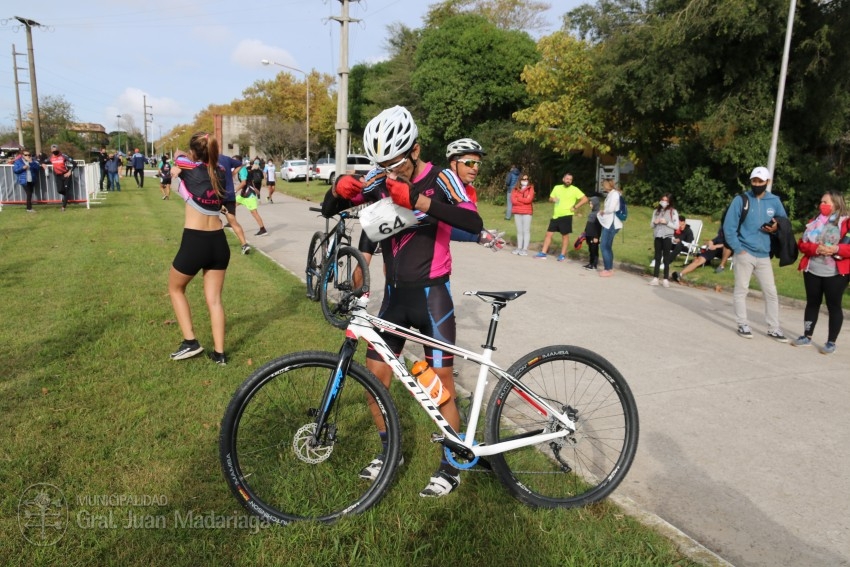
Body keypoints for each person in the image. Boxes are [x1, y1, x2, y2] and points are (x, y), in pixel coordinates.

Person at [322, 105, 483, 498]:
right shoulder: (381, 179)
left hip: (432, 299)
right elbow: (343, 214)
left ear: (415, 149)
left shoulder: (442, 178)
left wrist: (419, 201)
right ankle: (388, 452)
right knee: (374, 380)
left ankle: (452, 462)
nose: (390, 172)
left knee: (440, 387)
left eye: (396, 163)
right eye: (383, 165)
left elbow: (474, 224)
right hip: (394, 300)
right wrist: (338, 190)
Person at [167, 132, 229, 365]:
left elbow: (179, 158)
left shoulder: (188, 166)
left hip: (196, 241)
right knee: (215, 300)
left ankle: (190, 342)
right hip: (219, 242)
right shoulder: (220, 172)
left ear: (193, 152)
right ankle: (220, 355)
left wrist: (179, 164)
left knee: (175, 288)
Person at [722, 166, 788, 341]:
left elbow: (783, 221)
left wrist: (775, 227)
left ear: (767, 182)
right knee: (741, 289)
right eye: (754, 181)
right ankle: (742, 324)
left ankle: (774, 328)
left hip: (764, 254)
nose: (757, 184)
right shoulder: (741, 200)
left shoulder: (774, 201)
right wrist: (738, 249)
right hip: (745, 252)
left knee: (771, 292)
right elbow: (729, 227)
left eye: (760, 181)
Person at [792, 191, 850, 354]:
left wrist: (836, 249)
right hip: (813, 270)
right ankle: (806, 336)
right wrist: (816, 248)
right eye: (821, 202)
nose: (822, 205)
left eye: (826, 202)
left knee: (834, 306)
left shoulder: (846, 223)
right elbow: (802, 244)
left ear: (836, 204)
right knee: (812, 303)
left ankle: (831, 342)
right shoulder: (815, 221)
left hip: (835, 273)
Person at [535, 173, 588, 261]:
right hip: (556, 215)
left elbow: (585, 199)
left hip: (566, 215)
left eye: (570, 179)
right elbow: (550, 198)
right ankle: (543, 253)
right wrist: (553, 199)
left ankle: (562, 255)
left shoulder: (574, 189)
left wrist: (575, 207)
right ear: (563, 179)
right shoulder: (557, 187)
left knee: (565, 236)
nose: (568, 181)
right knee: (548, 234)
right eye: (567, 179)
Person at [219, 153, 251, 254]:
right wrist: (232, 173)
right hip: (229, 195)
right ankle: (244, 245)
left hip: (217, 196)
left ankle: (217, 243)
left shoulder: (208, 158)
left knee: (212, 220)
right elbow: (241, 164)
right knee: (233, 221)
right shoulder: (226, 159)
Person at [649, 193, 679, 287]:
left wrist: (667, 222)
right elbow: (651, 225)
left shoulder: (673, 212)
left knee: (666, 257)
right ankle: (655, 277)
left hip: (667, 236)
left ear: (669, 202)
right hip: (658, 235)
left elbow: (676, 226)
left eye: (666, 200)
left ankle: (665, 278)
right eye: (663, 200)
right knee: (657, 257)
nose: (664, 202)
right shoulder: (656, 211)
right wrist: (655, 222)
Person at [234, 157, 269, 237]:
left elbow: (244, 183)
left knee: (254, 212)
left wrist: (235, 191)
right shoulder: (241, 169)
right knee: (231, 206)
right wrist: (255, 188)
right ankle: (231, 222)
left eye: (234, 160)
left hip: (249, 194)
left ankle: (263, 229)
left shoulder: (242, 169)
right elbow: (250, 180)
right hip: (243, 194)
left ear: (238, 162)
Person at [596, 180, 623, 277]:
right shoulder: (612, 194)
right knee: (607, 246)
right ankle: (609, 268)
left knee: (604, 246)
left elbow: (611, 209)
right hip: (609, 222)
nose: (602, 187)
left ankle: (607, 269)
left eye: (603, 185)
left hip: (611, 223)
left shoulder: (614, 194)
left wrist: (603, 211)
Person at [44, 143, 76, 212]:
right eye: (53, 150)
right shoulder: (51, 157)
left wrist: (70, 172)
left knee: (66, 190)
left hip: (66, 175)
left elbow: (74, 163)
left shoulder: (63, 156)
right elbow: (43, 161)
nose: (54, 151)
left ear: (58, 149)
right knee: (60, 190)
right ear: (51, 150)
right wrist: (42, 164)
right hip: (58, 176)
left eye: (55, 149)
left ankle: (63, 207)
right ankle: (66, 197)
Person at [511, 173, 534, 256]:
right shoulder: (515, 189)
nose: (525, 181)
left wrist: (519, 199)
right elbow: (513, 201)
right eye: (524, 179)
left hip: (527, 212)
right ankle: (519, 247)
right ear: (520, 180)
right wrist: (523, 200)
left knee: (526, 230)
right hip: (517, 211)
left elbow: (529, 200)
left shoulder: (530, 188)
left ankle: (525, 249)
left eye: (527, 179)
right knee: (519, 231)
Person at [581, 188, 604, 270]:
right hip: (589, 234)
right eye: (590, 203)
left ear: (596, 204)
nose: (590, 205)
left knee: (594, 249)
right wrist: (585, 233)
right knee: (590, 249)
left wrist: (596, 237)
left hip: (594, 235)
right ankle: (590, 263)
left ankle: (594, 264)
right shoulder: (592, 213)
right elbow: (588, 224)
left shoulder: (598, 214)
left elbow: (598, 226)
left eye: (591, 203)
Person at [12, 148, 41, 213]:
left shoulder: (33, 160)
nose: (28, 156)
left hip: (31, 179)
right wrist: (23, 168)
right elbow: (15, 170)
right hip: (24, 180)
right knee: (29, 193)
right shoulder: (18, 161)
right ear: (22, 155)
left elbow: (37, 168)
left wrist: (31, 163)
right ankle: (29, 208)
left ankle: (29, 207)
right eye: (26, 155)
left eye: (29, 155)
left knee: (30, 193)